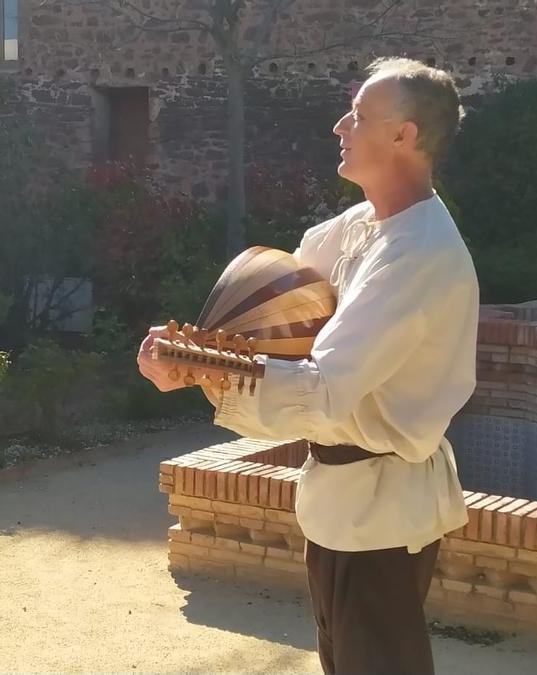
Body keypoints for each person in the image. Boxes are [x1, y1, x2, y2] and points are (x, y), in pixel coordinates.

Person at [137, 57, 478, 674]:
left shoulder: (418, 251)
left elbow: (324, 389)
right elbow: (283, 311)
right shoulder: (356, 227)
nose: (339, 126)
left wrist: (203, 368)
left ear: (403, 136)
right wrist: (200, 356)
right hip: (342, 507)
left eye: (359, 115)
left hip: (382, 515)